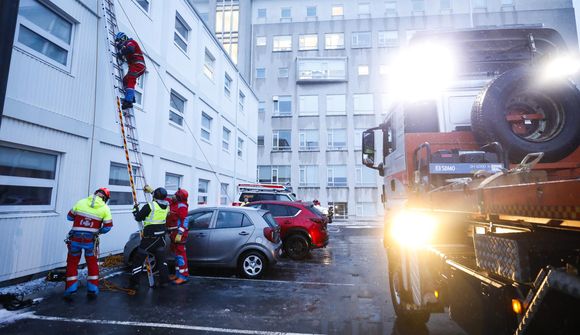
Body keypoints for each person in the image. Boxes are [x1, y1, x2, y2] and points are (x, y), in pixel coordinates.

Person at [64, 188, 113, 298]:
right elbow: (107, 227)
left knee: (72, 263)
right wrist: (97, 231)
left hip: (75, 239)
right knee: (92, 263)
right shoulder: (105, 208)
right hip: (90, 241)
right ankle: (92, 289)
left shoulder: (80, 202)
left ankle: (71, 289)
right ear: (105, 198)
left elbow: (69, 217)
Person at [129, 187, 170, 288]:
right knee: (162, 261)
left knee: (138, 260)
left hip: (149, 239)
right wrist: (152, 191)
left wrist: (135, 210)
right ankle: (164, 282)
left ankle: (135, 284)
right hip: (161, 238)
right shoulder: (167, 206)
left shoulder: (150, 206)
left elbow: (138, 218)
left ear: (154, 195)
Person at [114, 32, 146, 110]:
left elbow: (130, 49)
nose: (120, 43)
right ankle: (131, 97)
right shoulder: (126, 47)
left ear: (123, 39)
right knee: (125, 80)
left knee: (131, 78)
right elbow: (124, 57)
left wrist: (121, 51)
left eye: (120, 41)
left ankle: (128, 100)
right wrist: (120, 54)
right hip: (134, 66)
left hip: (138, 65)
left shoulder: (131, 42)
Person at [166, 188, 189, 285]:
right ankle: (177, 274)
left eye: (175, 195)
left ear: (179, 197)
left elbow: (185, 222)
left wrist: (180, 234)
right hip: (173, 233)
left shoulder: (182, 207)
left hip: (179, 235)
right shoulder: (175, 203)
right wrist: (152, 192)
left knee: (181, 256)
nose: (173, 196)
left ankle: (184, 276)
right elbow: (164, 198)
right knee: (176, 256)